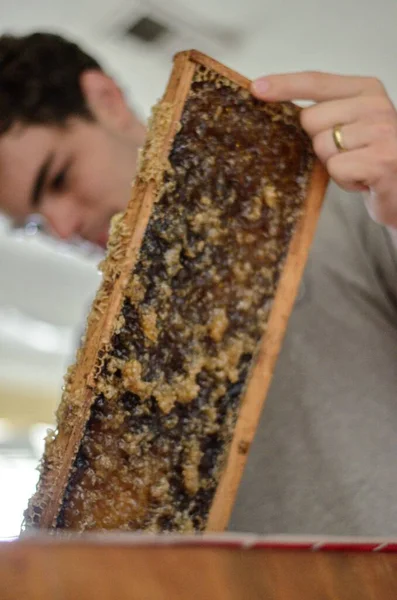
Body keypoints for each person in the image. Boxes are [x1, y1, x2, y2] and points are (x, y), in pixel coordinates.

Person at [1, 32, 397, 536]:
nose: (59, 227)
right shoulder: (101, 345)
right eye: (33, 223)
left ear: (106, 101)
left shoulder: (343, 198)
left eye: (57, 177)